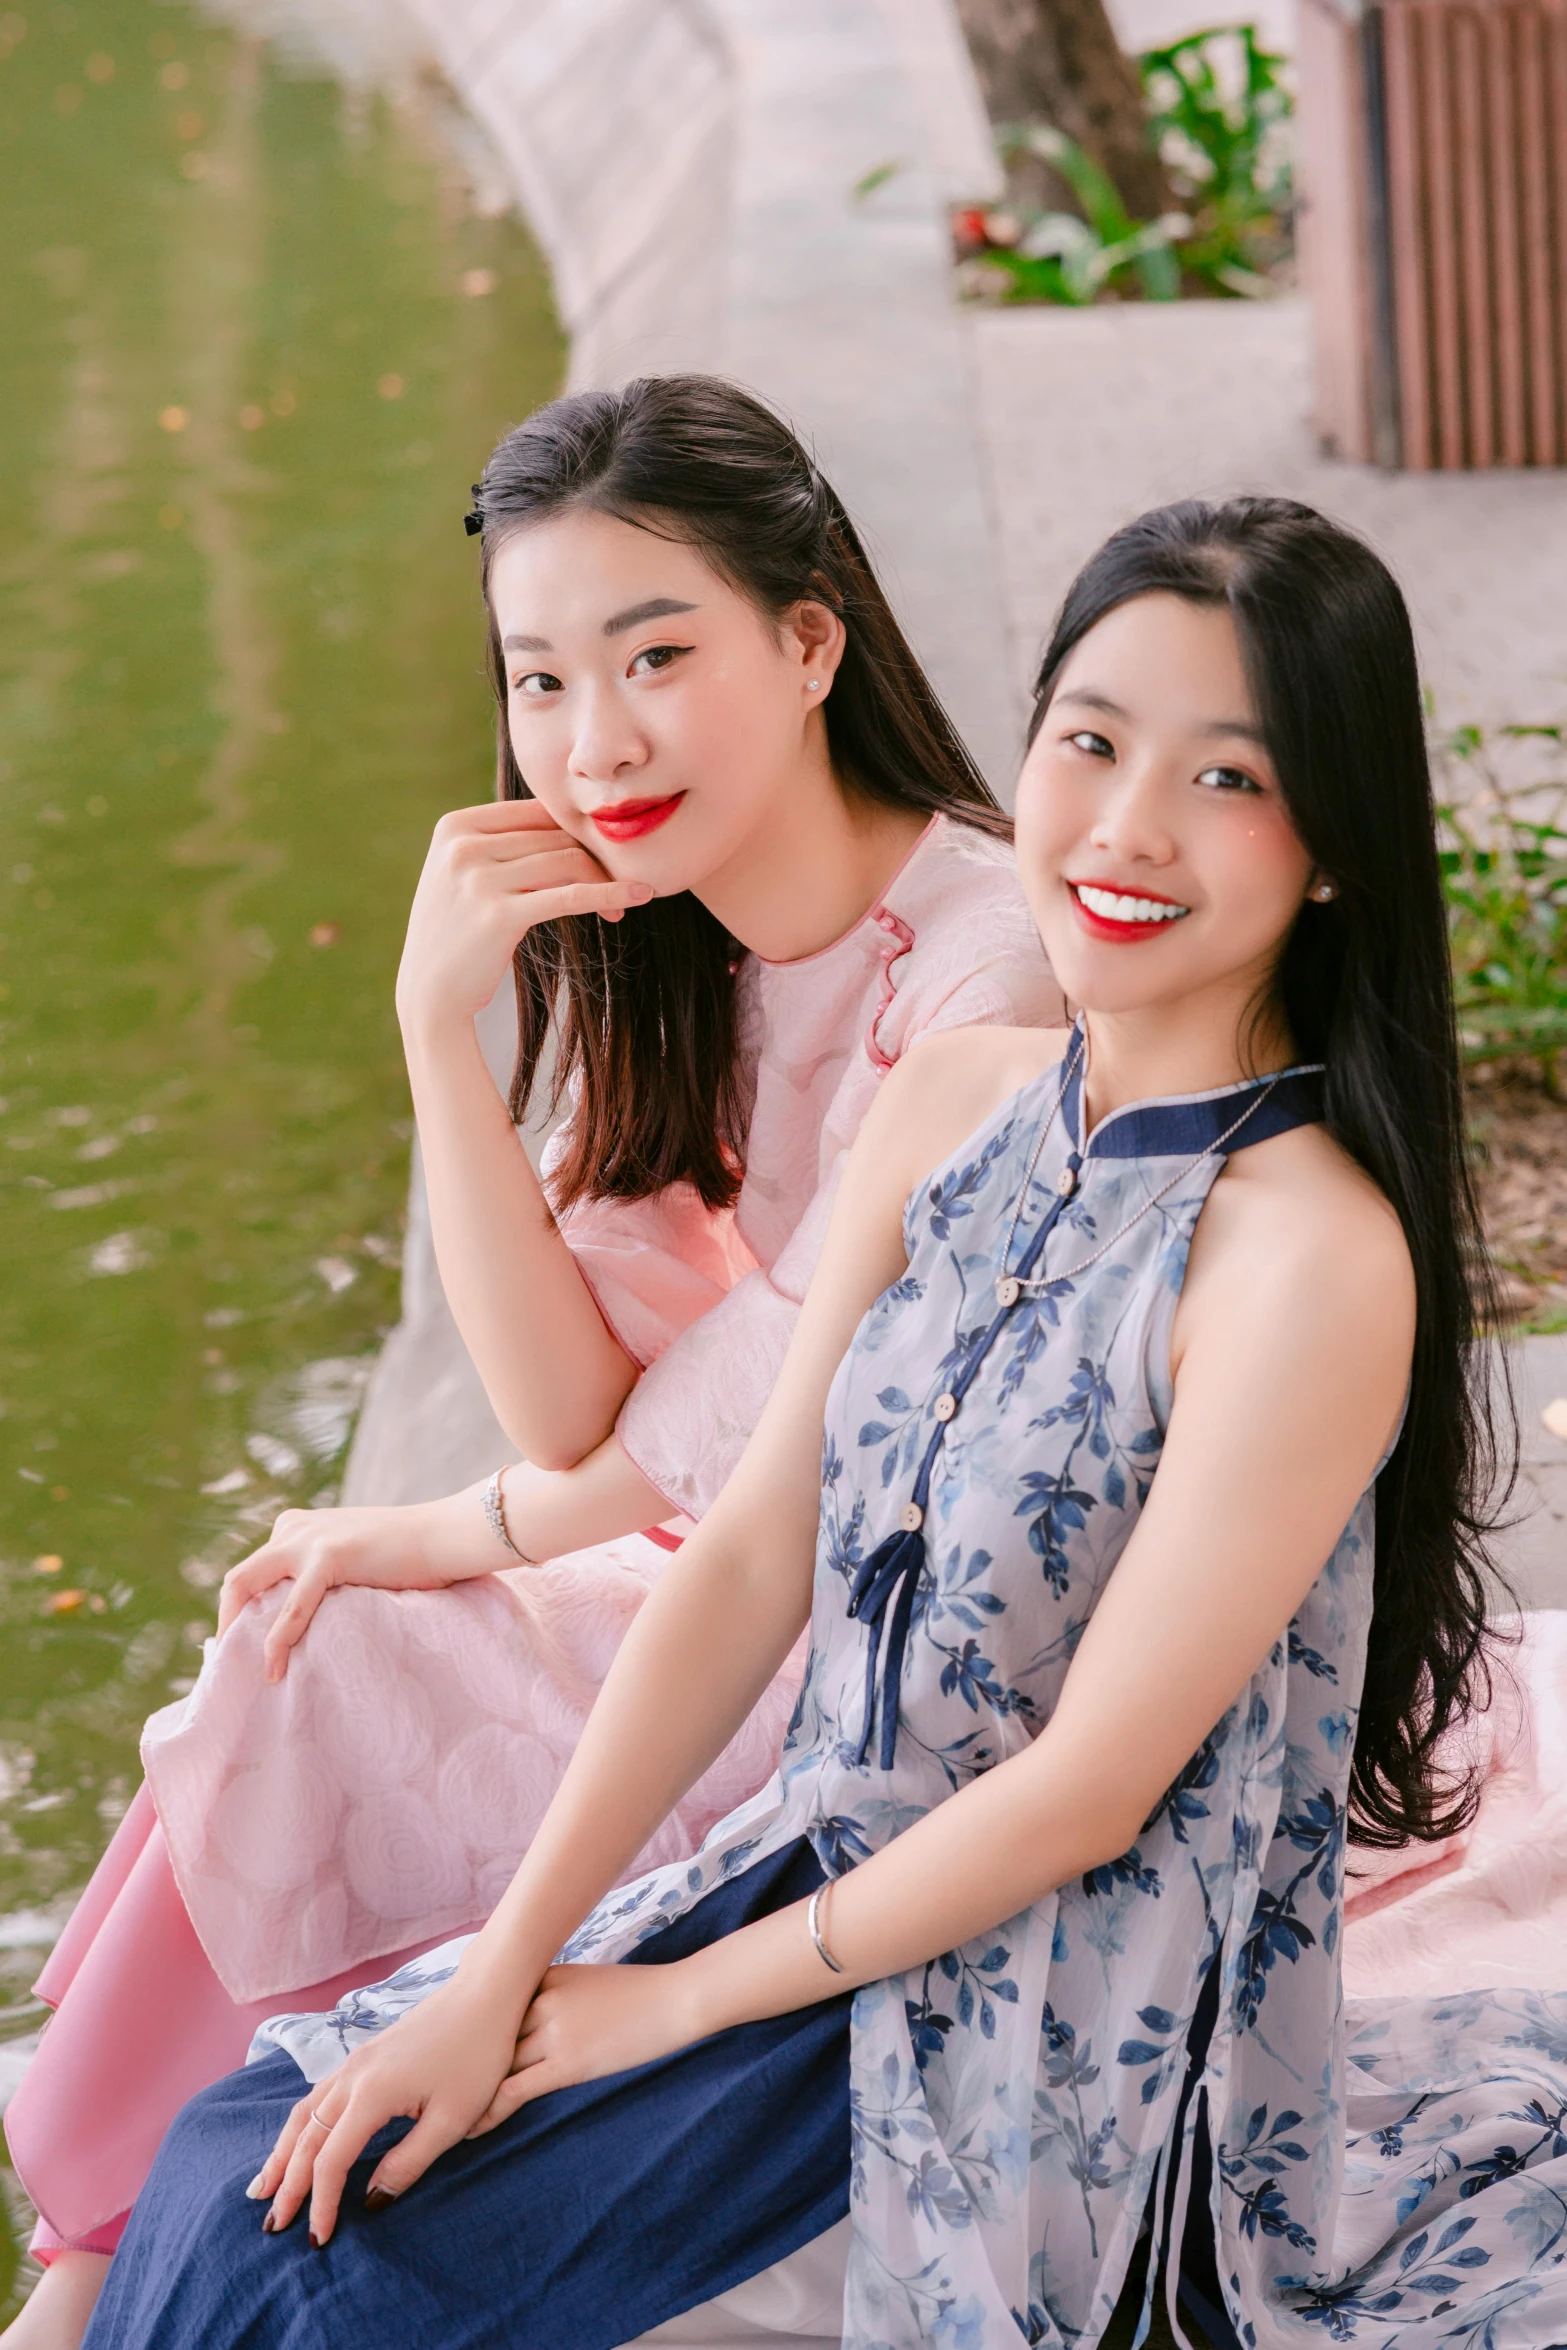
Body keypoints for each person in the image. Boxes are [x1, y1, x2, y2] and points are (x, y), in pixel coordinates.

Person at [81, 495, 1560, 2350]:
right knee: (241, 2149)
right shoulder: (956, 1097)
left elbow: (1087, 1790)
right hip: (819, 1871)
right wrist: (515, 1971)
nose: (1125, 826)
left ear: (1334, 844)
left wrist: (671, 2008)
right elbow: (756, 1553)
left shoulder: (1310, 1262)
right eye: (1090, 743)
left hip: (1058, 2010)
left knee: (326, 2284)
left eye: (1227, 778)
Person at [2, 378, 1061, 2346]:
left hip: (865, 1653)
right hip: (725, 1567)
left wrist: (466, 1526)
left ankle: (106, 2289)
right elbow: (576, 1401)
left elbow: (702, 1454)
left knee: (376, 1643)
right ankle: (73, 2289)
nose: (597, 741)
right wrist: (434, 1031)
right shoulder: (681, 938)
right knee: (304, 1637)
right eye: (545, 681)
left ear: (811, 639)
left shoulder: (980, 977)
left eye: (657, 655)